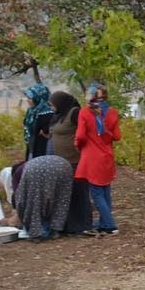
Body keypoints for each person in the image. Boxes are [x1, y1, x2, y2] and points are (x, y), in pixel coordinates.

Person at [75, 82, 122, 235]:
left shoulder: (85, 112)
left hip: (92, 157)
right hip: (107, 156)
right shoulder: (112, 112)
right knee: (105, 191)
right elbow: (117, 136)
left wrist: (78, 144)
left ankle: (110, 225)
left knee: (96, 193)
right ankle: (103, 223)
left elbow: (81, 135)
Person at [47, 91, 93, 234]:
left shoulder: (74, 113)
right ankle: (68, 225)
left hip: (75, 161)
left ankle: (83, 225)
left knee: (79, 193)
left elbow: (87, 131)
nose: (51, 106)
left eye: (53, 104)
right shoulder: (58, 115)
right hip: (60, 162)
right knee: (65, 195)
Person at [12, 154, 75, 240]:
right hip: (63, 165)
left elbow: (18, 198)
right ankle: (55, 230)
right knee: (62, 199)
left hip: (36, 169)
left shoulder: (17, 175)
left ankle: (35, 233)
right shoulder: (26, 165)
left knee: (34, 202)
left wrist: (20, 215)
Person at [22, 83, 56, 158]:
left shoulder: (48, 113)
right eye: (27, 98)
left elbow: (52, 128)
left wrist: (45, 131)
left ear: (38, 98)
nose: (27, 100)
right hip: (31, 148)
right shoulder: (31, 111)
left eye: (30, 98)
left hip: (44, 151)